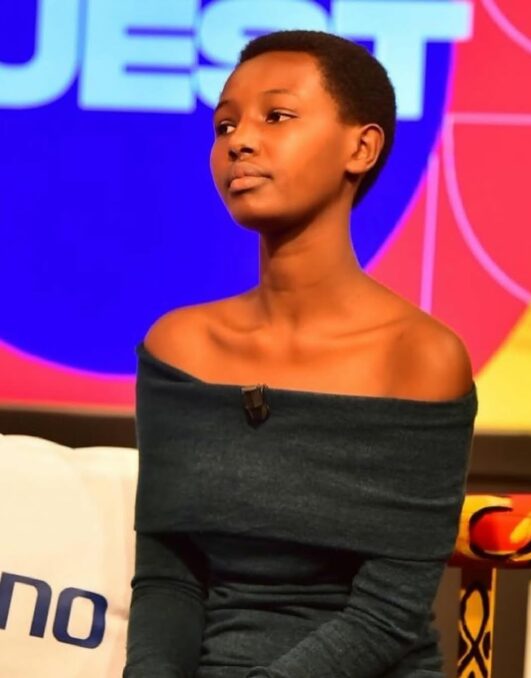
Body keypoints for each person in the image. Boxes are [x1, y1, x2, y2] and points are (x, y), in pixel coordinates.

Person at [123, 30, 478, 678]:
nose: (240, 141)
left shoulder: (420, 358)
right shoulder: (179, 347)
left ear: (360, 147)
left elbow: (388, 614)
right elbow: (168, 580)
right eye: (225, 124)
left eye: (277, 116)